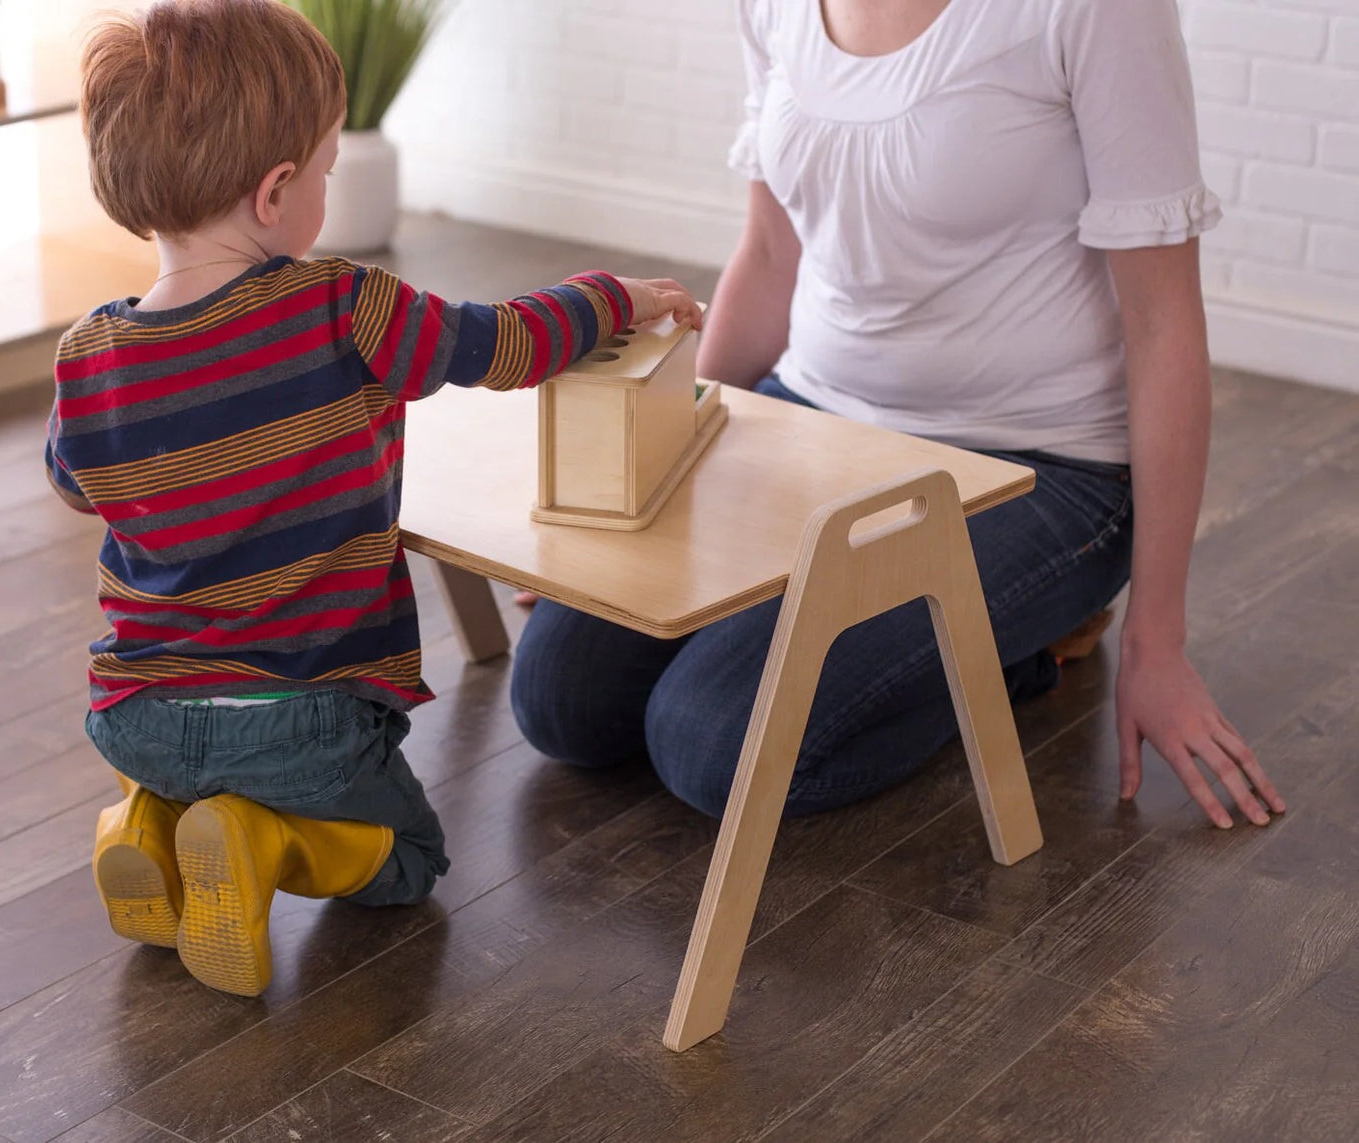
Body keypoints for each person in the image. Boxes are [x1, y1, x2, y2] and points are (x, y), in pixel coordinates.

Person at [47, 0, 702, 998]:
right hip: (301, 713)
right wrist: (617, 295)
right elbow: (503, 343)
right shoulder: (341, 305)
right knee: (408, 864)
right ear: (276, 192)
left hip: (135, 711)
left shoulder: (86, 355)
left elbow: (73, 481)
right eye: (322, 171)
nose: (322, 187)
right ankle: (264, 846)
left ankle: (145, 822)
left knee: (186, 764)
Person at [511, 0, 1285, 831]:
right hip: (812, 420)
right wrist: (646, 482)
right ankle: (937, 642)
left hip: (1037, 471)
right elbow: (771, 255)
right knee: (563, 701)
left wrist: (1155, 644)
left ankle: (1017, 651)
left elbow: (1163, 324)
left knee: (712, 743)